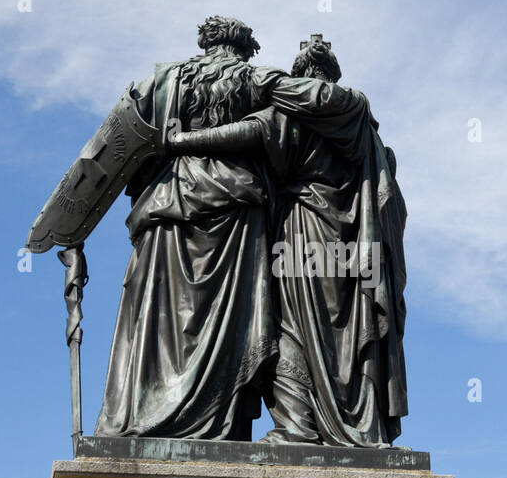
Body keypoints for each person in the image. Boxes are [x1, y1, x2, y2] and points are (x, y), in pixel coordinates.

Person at [95, 17, 369, 441]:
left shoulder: (161, 81)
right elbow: (317, 101)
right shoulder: (255, 77)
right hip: (234, 208)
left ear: (205, 43)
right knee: (238, 320)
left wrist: (73, 232)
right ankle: (217, 424)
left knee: (162, 316)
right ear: (244, 47)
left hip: (168, 207)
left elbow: (108, 153)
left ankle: (145, 417)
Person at [168, 36, 408, 446]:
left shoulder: (300, 111)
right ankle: (358, 424)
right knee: (348, 332)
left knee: (288, 325)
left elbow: (246, 133)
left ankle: (298, 426)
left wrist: (183, 141)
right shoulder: (363, 128)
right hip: (353, 247)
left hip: (303, 232)